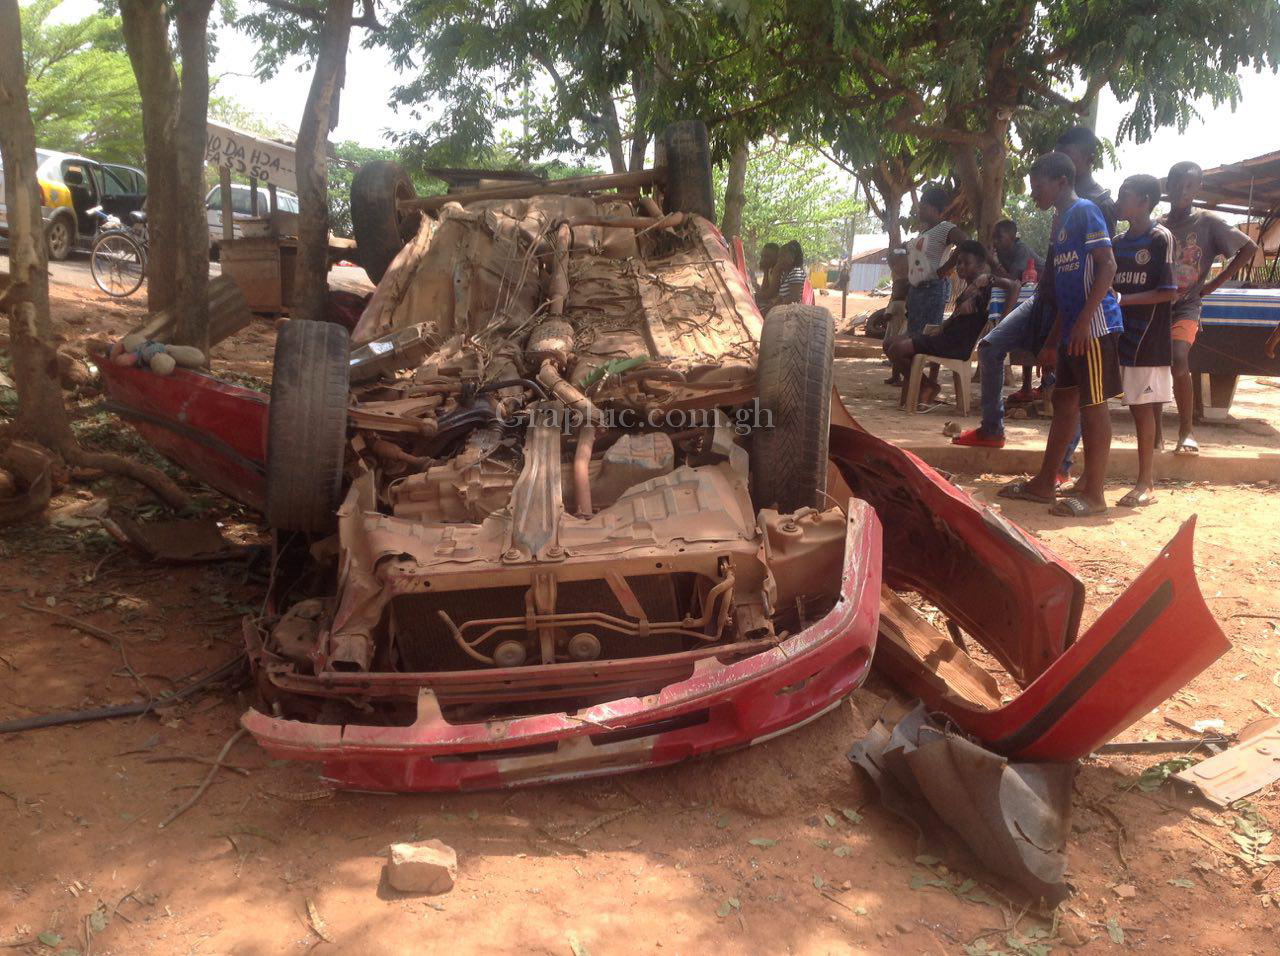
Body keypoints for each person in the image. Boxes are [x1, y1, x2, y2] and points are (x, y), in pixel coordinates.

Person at [955, 126, 1113, 467]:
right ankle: (992, 429)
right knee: (991, 346)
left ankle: (1063, 468)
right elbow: (1057, 264)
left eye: (1066, 157)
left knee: (1077, 394)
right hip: (1046, 300)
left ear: (1076, 167)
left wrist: (1077, 320)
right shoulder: (1060, 209)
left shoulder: (1096, 206)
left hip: (1075, 312)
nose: (1059, 161)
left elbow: (1104, 266)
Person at [998, 152, 1122, 518]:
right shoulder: (1060, 222)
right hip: (1072, 330)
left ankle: (1096, 493)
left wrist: (1083, 323)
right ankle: (1044, 483)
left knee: (1093, 405)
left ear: (1062, 182)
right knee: (1065, 403)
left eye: (1039, 186)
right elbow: (1066, 289)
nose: (1034, 193)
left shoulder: (1085, 211)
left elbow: (1108, 266)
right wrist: (1054, 341)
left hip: (1095, 327)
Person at [1160, 161, 1258, 456]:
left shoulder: (1207, 222)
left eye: (1189, 185)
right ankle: (1154, 435)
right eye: (1176, 183)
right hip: (1156, 307)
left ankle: (1186, 431)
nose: (1182, 190)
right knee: (1153, 368)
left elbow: (1249, 248)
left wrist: (1212, 286)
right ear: (1168, 186)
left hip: (1186, 306)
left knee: (1179, 359)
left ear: (1197, 189)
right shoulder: (1160, 225)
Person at [1111, 174, 1178, 507]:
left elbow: (1167, 292)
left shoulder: (1160, 238)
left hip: (1148, 338)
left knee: (1142, 410)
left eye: (1126, 194)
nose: (1120, 199)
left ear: (1145, 201)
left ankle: (1146, 484)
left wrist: (1122, 300)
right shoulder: (1119, 242)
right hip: (1121, 334)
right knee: (1135, 407)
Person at [884, 240, 1016, 407]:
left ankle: (927, 386)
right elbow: (957, 315)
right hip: (945, 337)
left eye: (966, 263)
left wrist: (1004, 322)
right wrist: (942, 327)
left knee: (897, 349)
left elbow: (1015, 286)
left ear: (981, 265)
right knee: (889, 343)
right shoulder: (968, 288)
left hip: (956, 344)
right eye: (959, 262)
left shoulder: (985, 284)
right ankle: (925, 385)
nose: (960, 266)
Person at [888, 185, 967, 386]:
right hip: (917, 291)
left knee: (928, 336)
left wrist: (946, 269)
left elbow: (965, 244)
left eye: (923, 206)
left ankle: (929, 384)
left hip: (933, 289)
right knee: (912, 337)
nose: (919, 210)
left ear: (934, 208)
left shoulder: (945, 228)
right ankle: (921, 385)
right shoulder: (925, 232)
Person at [775, 240, 808, 305]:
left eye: (783, 256)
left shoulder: (796, 273)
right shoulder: (785, 273)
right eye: (779, 256)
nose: (779, 259)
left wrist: (773, 306)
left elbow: (794, 298)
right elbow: (781, 296)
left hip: (792, 311)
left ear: (792, 257)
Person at [755, 242, 782, 311]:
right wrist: (766, 271)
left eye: (767, 257)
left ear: (777, 257)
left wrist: (754, 295)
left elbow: (770, 293)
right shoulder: (769, 269)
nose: (763, 259)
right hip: (770, 302)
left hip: (778, 305)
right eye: (762, 256)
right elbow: (764, 289)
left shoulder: (778, 270)